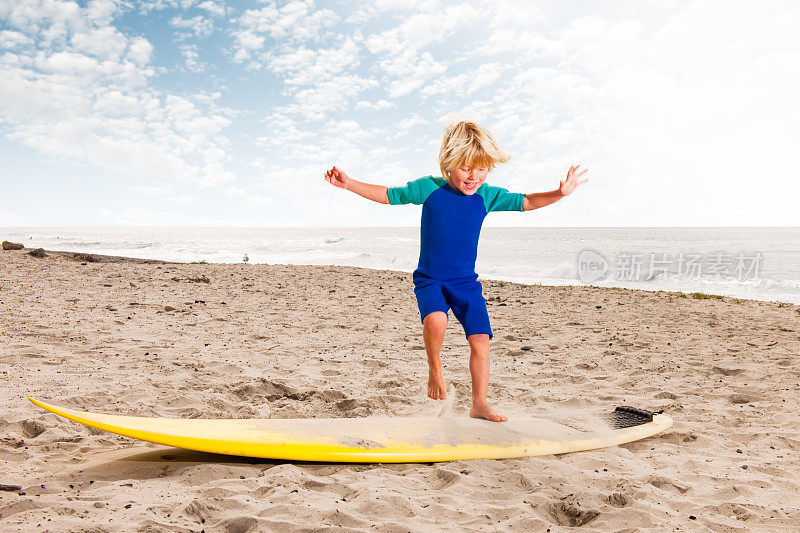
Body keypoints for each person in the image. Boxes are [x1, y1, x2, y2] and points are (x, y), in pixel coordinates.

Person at [324, 121, 587, 422]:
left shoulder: (487, 196)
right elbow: (389, 195)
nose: (473, 176)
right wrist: (349, 183)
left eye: (481, 168)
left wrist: (560, 193)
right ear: (448, 165)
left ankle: (479, 403)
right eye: (465, 168)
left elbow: (526, 202)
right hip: (431, 279)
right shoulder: (430, 188)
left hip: (466, 283)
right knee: (436, 323)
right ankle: (435, 368)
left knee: (481, 341)